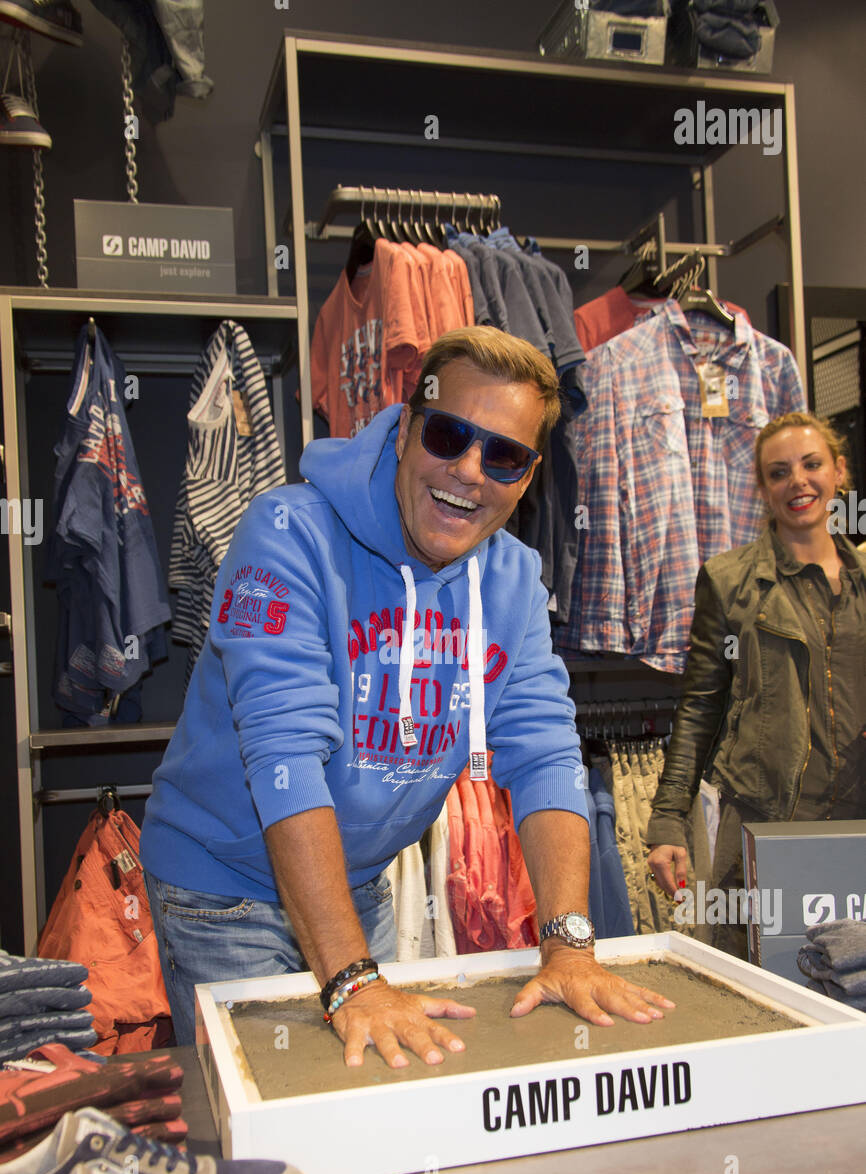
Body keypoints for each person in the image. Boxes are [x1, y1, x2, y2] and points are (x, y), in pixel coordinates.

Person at [141, 327, 675, 1059]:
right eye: (449, 434)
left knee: (384, 1092)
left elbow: (546, 756)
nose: (468, 470)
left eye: (505, 456)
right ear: (404, 428)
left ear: (528, 476)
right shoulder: (287, 533)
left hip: (357, 885)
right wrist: (352, 981)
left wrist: (569, 943)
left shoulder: (513, 581)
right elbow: (284, 754)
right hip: (220, 891)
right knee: (275, 1124)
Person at [647, 411, 866, 958]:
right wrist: (669, 818)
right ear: (762, 489)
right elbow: (700, 706)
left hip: (858, 831)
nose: (798, 482)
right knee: (759, 986)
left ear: (839, 471)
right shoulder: (729, 581)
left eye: (811, 464)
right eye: (779, 472)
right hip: (766, 828)